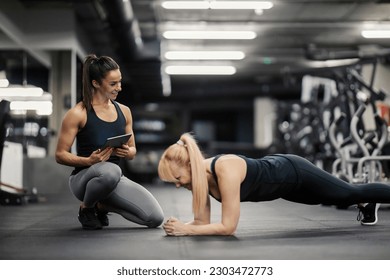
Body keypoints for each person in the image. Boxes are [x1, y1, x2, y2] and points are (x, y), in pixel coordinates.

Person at [158, 132, 390, 236]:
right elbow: (201, 223)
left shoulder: (223, 169)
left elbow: (228, 228)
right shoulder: (199, 181)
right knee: (334, 198)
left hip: (294, 172)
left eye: (178, 179)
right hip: (284, 189)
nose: (178, 185)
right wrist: (181, 226)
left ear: (191, 166)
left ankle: (365, 197)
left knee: (349, 192)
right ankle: (365, 203)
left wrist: (186, 230)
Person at [55, 54, 164, 230]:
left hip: (113, 179)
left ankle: (103, 205)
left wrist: (129, 153)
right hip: (83, 180)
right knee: (111, 170)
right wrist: (88, 161)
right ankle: (87, 207)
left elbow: (133, 150)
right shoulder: (78, 113)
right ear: (96, 83)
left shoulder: (125, 111)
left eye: (119, 82)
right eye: (113, 84)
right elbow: (60, 155)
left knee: (155, 219)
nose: (119, 88)